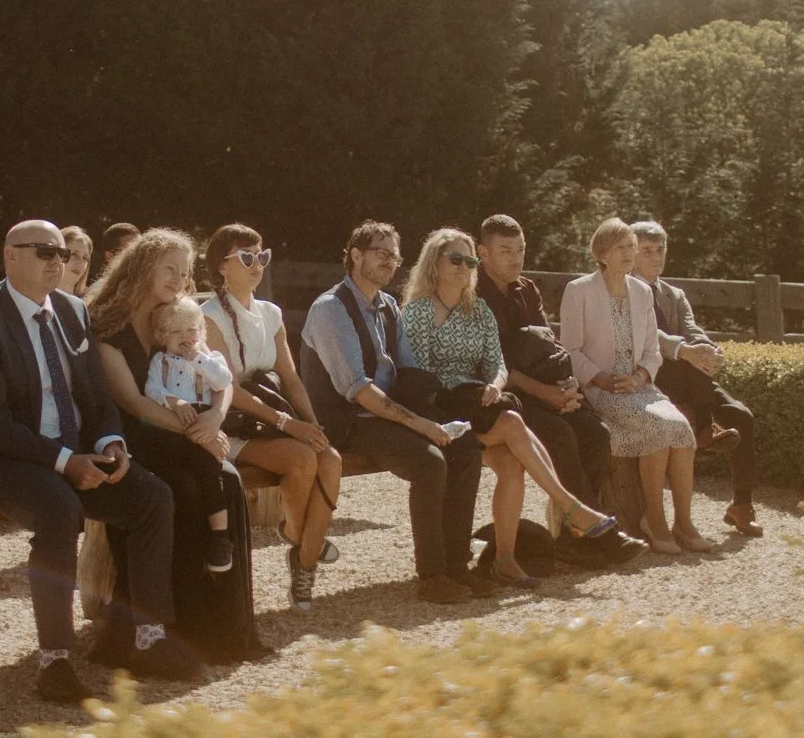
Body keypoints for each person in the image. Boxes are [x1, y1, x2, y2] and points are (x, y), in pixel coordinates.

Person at [0, 220, 198, 705]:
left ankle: (145, 638)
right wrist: (66, 461)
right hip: (7, 459)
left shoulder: (72, 309)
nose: (58, 261)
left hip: (74, 449)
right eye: (44, 252)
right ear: (10, 256)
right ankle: (53, 662)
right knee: (60, 509)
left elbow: (97, 396)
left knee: (152, 497)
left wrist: (111, 442)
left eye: (62, 252)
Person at [397, 229, 619, 587]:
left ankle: (505, 560)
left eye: (469, 261)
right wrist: (471, 390)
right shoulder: (417, 312)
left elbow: (497, 363)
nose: (463, 267)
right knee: (514, 422)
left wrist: (494, 385)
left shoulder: (479, 309)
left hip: (479, 401)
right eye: (455, 259)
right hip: (439, 405)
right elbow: (420, 373)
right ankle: (571, 508)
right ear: (433, 264)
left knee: (513, 465)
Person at [90, 229, 268, 664]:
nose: (177, 277)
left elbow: (219, 376)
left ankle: (226, 629)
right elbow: (133, 403)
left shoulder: (179, 316)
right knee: (180, 490)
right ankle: (170, 629)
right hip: (133, 438)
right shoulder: (108, 327)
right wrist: (198, 435)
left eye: (183, 270)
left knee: (225, 478)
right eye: (169, 267)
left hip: (187, 431)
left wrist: (215, 419)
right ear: (142, 267)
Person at [300, 221, 483, 605]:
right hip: (345, 423)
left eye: (394, 256)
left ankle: (456, 566)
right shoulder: (331, 309)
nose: (389, 262)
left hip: (384, 416)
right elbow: (358, 390)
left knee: (465, 450)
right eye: (380, 253)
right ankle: (432, 577)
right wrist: (421, 424)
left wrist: (437, 411)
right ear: (355, 255)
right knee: (429, 462)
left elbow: (407, 371)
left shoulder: (387, 307)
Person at [198, 223, 340, 612]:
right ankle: (303, 542)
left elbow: (291, 377)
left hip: (269, 418)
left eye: (262, 256)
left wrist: (313, 424)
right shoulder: (208, 316)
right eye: (247, 257)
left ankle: (303, 556)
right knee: (301, 458)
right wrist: (287, 424)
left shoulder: (270, 312)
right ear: (222, 266)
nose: (257, 264)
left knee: (329, 456)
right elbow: (229, 389)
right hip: (230, 423)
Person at [560, 218, 706, 553]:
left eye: (631, 246)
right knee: (658, 427)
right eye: (621, 247)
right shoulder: (579, 290)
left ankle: (683, 522)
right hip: (599, 389)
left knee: (682, 430)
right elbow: (569, 349)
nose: (630, 253)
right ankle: (652, 520)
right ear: (602, 253)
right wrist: (601, 379)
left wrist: (640, 376)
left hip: (640, 387)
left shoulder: (642, 293)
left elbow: (653, 350)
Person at [476, 215, 615, 523]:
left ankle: (573, 532)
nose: (515, 259)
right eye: (505, 251)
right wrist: (547, 394)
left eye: (520, 250)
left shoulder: (527, 289)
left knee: (596, 433)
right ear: (483, 253)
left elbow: (549, 346)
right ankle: (592, 528)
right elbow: (496, 365)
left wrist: (567, 390)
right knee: (560, 434)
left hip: (541, 389)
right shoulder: (472, 294)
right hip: (499, 396)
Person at [629, 221, 762, 537]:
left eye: (660, 250)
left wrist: (710, 351)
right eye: (647, 251)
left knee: (742, 416)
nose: (655, 257)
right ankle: (704, 427)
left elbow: (691, 329)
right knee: (690, 360)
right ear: (632, 254)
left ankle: (741, 506)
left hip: (692, 379)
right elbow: (651, 337)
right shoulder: (628, 292)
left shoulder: (674, 294)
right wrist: (690, 351)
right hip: (654, 380)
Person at [141, 296, 237, 571]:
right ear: (163, 337)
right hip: (171, 424)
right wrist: (174, 401)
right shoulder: (161, 361)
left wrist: (198, 358)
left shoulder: (210, 359)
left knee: (207, 467)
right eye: (177, 332)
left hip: (203, 419)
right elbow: (151, 389)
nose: (186, 338)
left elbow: (222, 381)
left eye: (192, 331)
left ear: (201, 331)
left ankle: (220, 536)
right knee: (183, 468)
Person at [60, 226, 95, 298]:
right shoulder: (35, 299)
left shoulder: (89, 304)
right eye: (74, 254)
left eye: (85, 258)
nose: (81, 263)